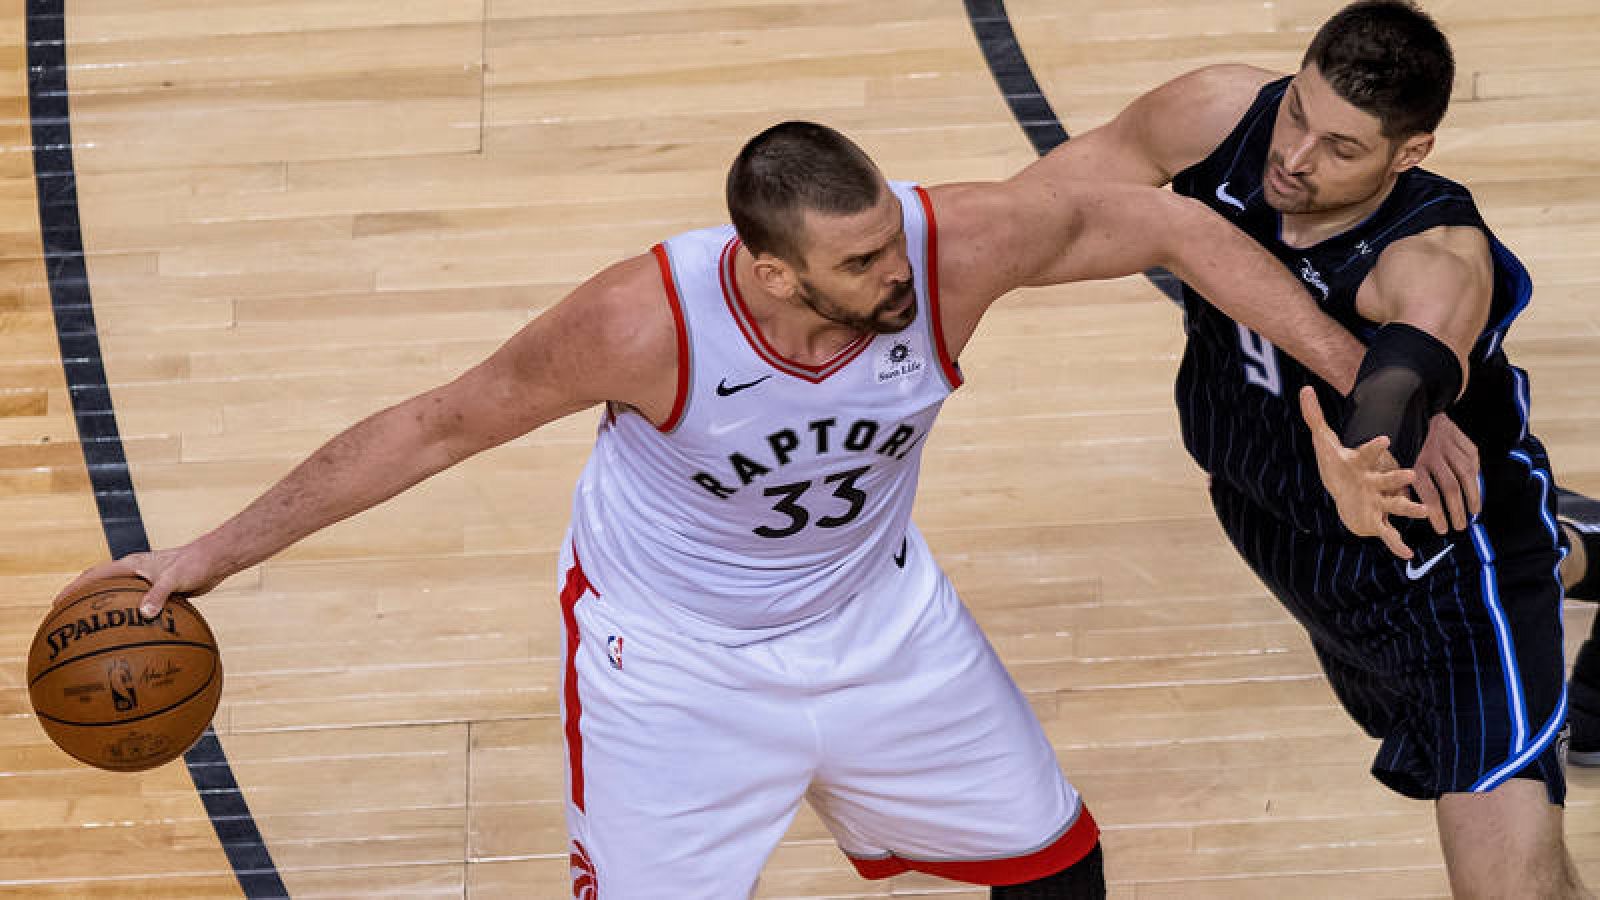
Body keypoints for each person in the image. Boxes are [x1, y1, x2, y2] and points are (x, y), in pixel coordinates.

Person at [55, 121, 1388, 898]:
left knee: (1057, 868)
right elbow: (434, 425)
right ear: (766, 270)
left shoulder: (948, 249)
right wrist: (209, 554)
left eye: (890, 236)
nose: (895, 271)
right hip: (671, 661)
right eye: (859, 261)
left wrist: (1363, 391)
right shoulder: (642, 322)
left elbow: (1166, 226)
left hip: (880, 620)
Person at [1027, 1, 1597, 896]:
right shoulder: (1219, 113)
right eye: (1299, 113)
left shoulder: (1438, 255)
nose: (1294, 157)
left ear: (1408, 155)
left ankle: (1541, 570)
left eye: (1341, 148)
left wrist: (1361, 454)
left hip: (1445, 554)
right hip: (1276, 522)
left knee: (1507, 876)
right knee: (1410, 698)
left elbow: (1400, 381)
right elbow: (1042, 209)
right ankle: (1584, 559)